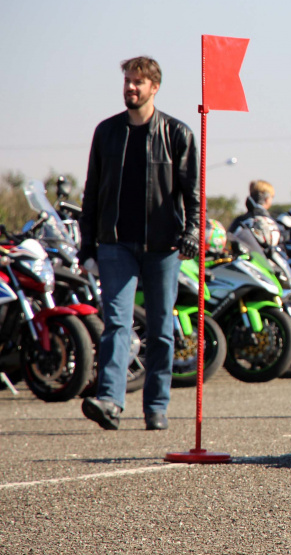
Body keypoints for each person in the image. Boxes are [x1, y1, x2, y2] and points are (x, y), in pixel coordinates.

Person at [78, 56, 200, 431]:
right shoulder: (106, 132)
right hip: (115, 244)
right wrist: (87, 248)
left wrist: (193, 231)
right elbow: (92, 194)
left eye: (138, 82)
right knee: (116, 323)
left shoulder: (177, 134)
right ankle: (111, 402)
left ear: (155, 87)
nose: (131, 88)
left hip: (163, 247)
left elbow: (194, 194)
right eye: (127, 82)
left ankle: (157, 406)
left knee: (162, 329)